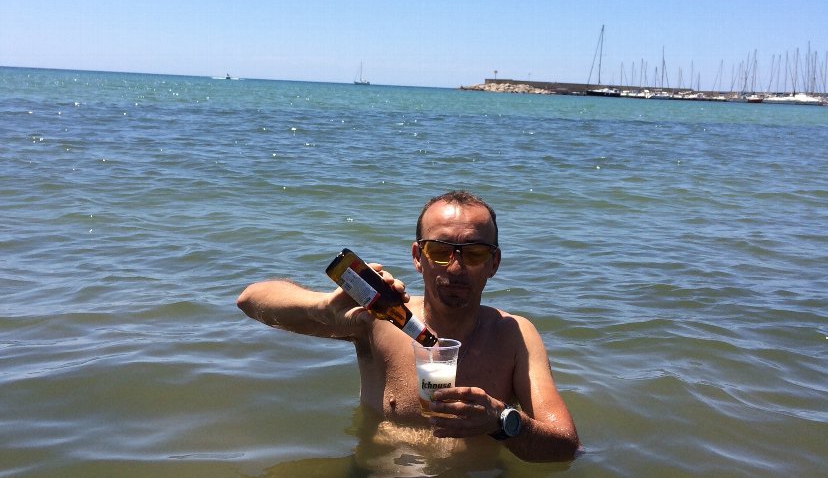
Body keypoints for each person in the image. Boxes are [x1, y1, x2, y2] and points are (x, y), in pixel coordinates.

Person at [236, 190, 580, 462]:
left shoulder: (515, 335)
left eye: (474, 253)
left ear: (494, 263)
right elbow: (251, 300)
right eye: (440, 251)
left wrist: (501, 422)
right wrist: (325, 308)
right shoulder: (381, 319)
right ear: (418, 257)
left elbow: (564, 447)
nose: (456, 268)